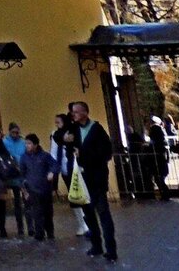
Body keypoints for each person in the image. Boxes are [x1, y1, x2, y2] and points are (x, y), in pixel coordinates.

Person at [62, 100, 117, 262]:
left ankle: (111, 249)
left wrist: (84, 155)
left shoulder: (97, 130)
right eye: (73, 113)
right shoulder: (74, 129)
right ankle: (96, 245)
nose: (74, 115)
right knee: (89, 215)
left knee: (103, 213)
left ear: (85, 112)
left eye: (77, 112)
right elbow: (60, 134)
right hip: (82, 180)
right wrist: (65, 138)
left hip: (97, 178)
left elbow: (106, 153)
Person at [51, 112, 89, 237]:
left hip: (77, 168)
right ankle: (81, 223)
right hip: (66, 170)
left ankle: (87, 222)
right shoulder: (57, 135)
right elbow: (54, 152)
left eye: (59, 122)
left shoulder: (75, 131)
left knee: (82, 195)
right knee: (74, 196)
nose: (57, 125)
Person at [19, 133, 57, 241]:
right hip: (33, 189)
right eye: (26, 143)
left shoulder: (44, 156)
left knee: (48, 211)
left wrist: (51, 172)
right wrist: (24, 191)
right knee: (37, 212)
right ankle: (39, 233)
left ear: (35, 144)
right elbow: (21, 175)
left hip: (45, 189)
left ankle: (50, 231)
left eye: (29, 143)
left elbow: (55, 165)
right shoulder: (24, 158)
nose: (27, 146)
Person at [1, 122, 27, 236]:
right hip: (10, 173)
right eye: (13, 132)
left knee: (25, 200)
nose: (16, 135)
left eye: (17, 132)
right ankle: (18, 226)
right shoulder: (4, 142)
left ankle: (27, 226)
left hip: (22, 172)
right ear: (9, 132)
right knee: (16, 200)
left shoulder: (23, 142)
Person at [147, 115, 170, 199]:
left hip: (157, 160)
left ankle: (165, 194)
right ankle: (165, 194)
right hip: (160, 159)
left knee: (158, 178)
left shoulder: (155, 130)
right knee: (160, 178)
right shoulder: (160, 133)